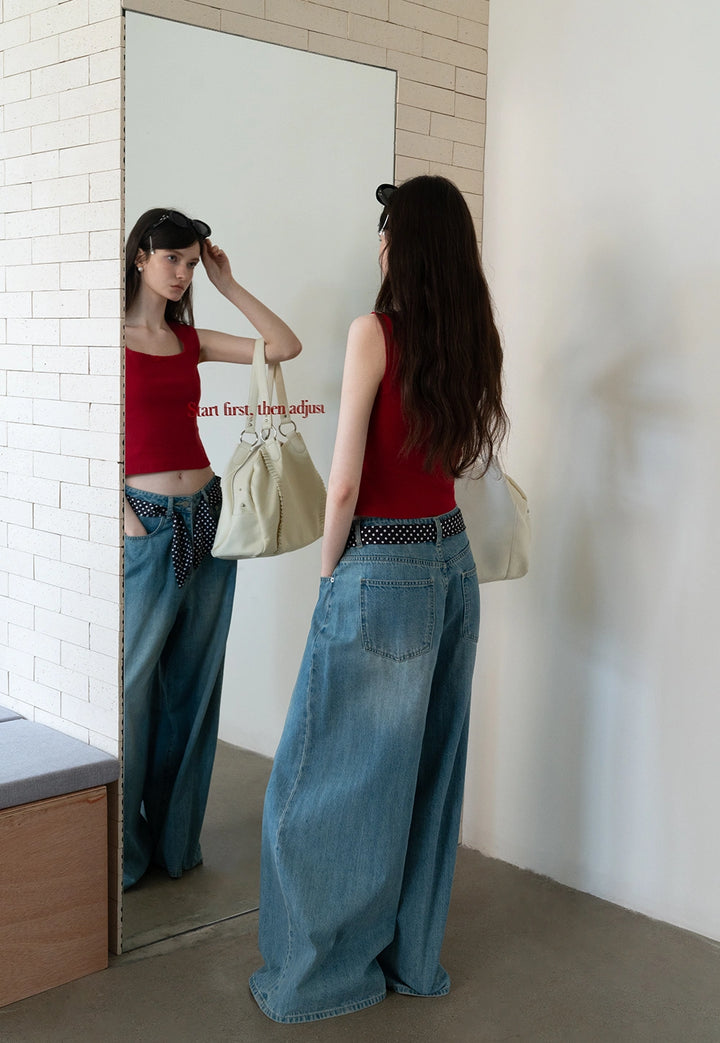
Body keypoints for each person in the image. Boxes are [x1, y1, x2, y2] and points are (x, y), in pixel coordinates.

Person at [249, 176, 508, 1022]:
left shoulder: (375, 332)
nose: (381, 243)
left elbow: (346, 483)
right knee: (427, 774)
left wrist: (329, 576)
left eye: (388, 230)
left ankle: (315, 979)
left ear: (405, 242)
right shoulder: (474, 336)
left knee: (317, 777)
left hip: (381, 567)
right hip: (452, 563)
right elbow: (456, 462)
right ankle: (411, 963)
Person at [123, 208, 301, 890]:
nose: (182, 272)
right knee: (132, 693)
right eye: (173, 258)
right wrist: (123, 515)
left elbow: (283, 346)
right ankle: (125, 854)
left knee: (193, 688)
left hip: (208, 515)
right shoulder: (108, 339)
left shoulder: (187, 339)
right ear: (140, 256)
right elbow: (79, 427)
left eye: (191, 263)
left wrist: (228, 284)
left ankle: (174, 844)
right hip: (146, 521)